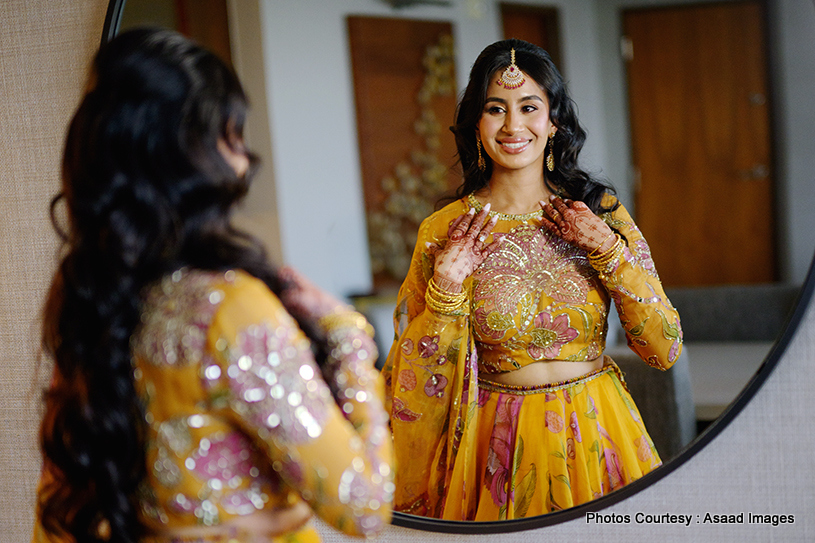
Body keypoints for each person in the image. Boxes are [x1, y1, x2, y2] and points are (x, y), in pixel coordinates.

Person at [32, 28, 392, 543]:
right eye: (232, 135)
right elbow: (365, 506)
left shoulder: (95, 298)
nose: (245, 158)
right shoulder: (228, 308)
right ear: (193, 153)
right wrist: (349, 334)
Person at [382, 39, 682, 521]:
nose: (513, 125)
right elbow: (413, 382)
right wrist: (445, 294)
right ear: (476, 125)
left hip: (598, 433)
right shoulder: (445, 232)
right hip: (497, 445)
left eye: (529, 107)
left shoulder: (598, 214)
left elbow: (663, 349)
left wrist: (606, 249)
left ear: (554, 121)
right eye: (495, 109)